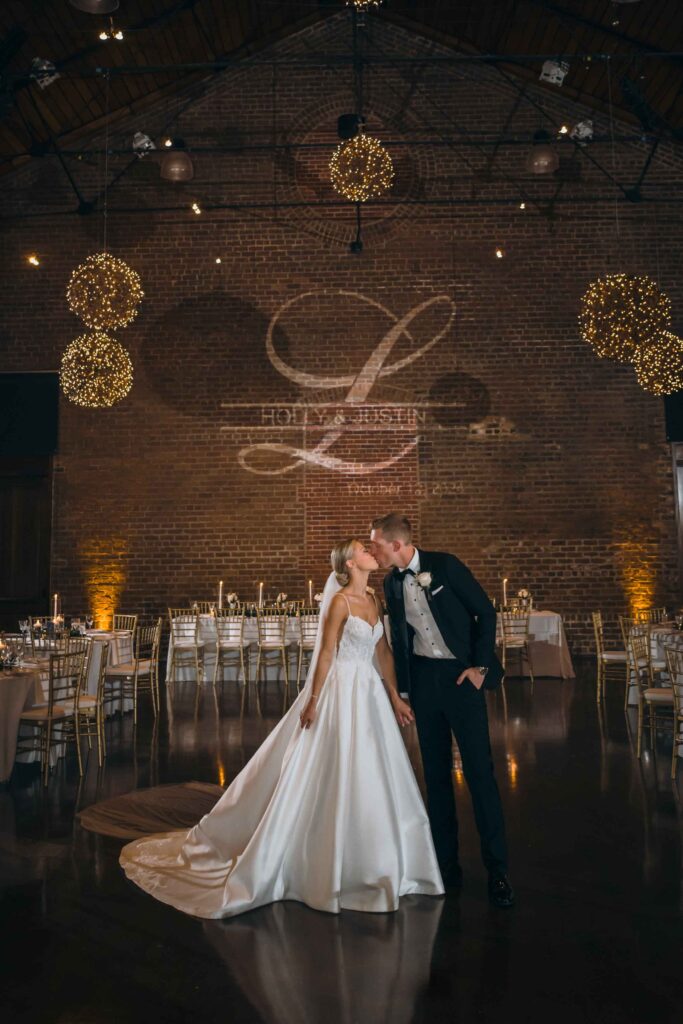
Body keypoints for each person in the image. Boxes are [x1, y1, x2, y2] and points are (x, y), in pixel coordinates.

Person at [120, 538, 444, 918]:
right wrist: (313, 701)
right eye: (363, 549)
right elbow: (325, 653)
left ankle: (378, 861)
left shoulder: (374, 600)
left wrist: (394, 696)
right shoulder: (339, 602)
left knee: (375, 769)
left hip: (370, 694)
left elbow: (383, 652)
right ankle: (317, 860)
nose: (371, 552)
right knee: (333, 766)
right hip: (341, 691)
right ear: (349, 563)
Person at [369, 513, 515, 908]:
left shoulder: (446, 565)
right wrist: (403, 689)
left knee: (480, 773)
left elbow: (484, 611)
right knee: (435, 778)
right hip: (425, 684)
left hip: (461, 678)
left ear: (397, 545)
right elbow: (400, 637)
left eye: (377, 545)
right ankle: (446, 868)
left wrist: (480, 668)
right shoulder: (390, 582)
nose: (373, 552)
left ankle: (498, 872)